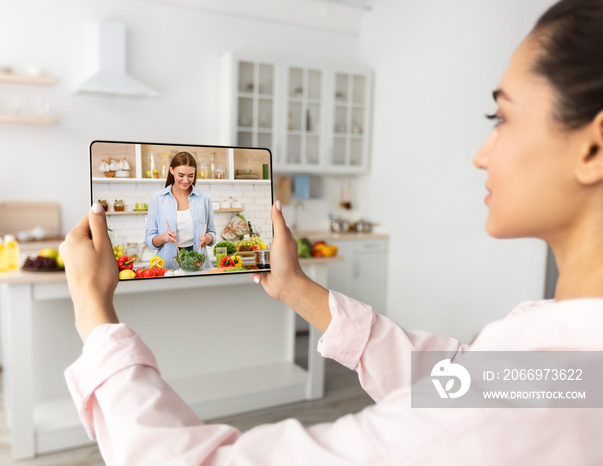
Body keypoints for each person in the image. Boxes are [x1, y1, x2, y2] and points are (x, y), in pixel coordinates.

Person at [59, 0, 603, 463]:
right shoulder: (570, 370)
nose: (481, 155)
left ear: (593, 147)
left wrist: (93, 309)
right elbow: (451, 380)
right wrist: (294, 286)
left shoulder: (521, 401)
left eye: (500, 120)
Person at [144, 151, 216, 270]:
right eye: (181, 175)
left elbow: (212, 233)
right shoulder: (157, 199)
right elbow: (150, 239)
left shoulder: (204, 198)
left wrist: (208, 238)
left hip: (199, 263)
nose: (186, 180)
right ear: (171, 170)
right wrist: (163, 237)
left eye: (190, 176)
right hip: (167, 265)